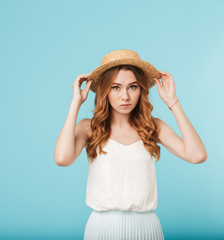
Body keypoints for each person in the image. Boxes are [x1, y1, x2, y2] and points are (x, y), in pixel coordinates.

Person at [54, 49, 208, 239]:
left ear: (141, 90)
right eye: (116, 87)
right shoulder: (90, 128)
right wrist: (75, 104)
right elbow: (62, 159)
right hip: (102, 229)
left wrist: (173, 102)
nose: (125, 96)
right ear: (105, 91)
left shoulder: (153, 127)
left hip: (146, 228)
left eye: (132, 87)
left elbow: (197, 155)